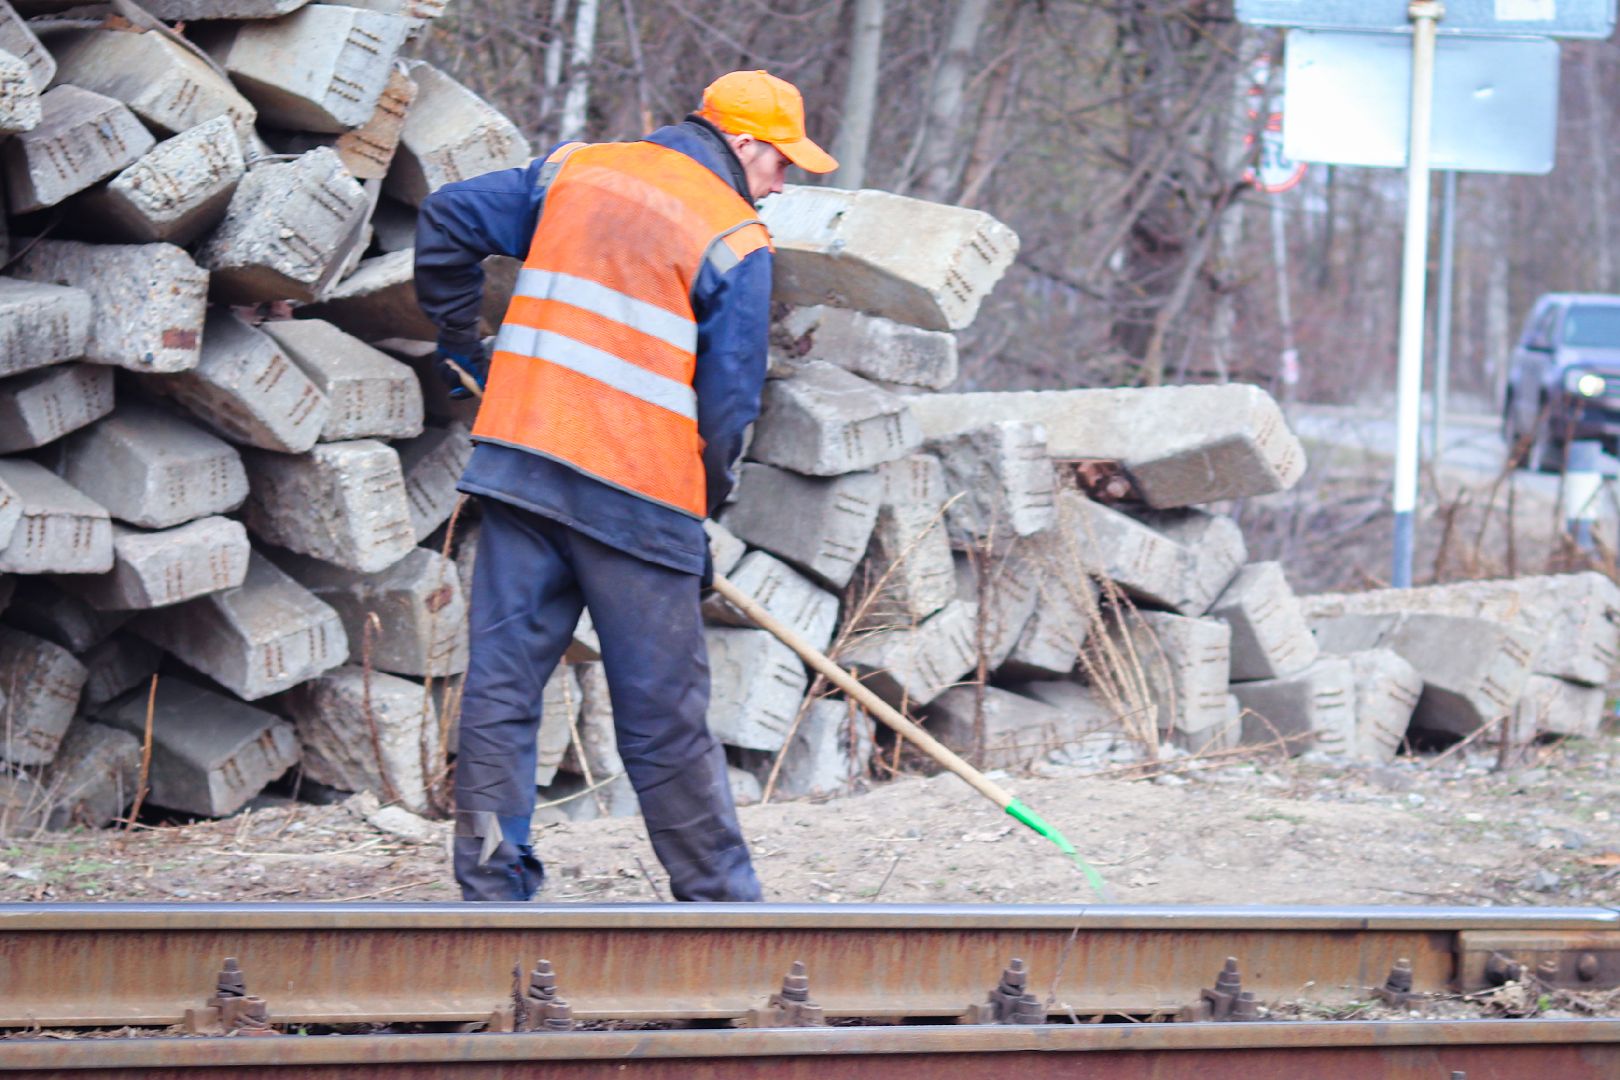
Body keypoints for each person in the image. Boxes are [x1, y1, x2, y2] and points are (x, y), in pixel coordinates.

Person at [413, 71, 837, 902]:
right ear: (742, 143)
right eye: (781, 163)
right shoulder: (736, 238)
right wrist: (699, 515)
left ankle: (494, 896)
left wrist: (463, 350)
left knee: (500, 692)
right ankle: (722, 905)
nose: (784, 183)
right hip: (636, 494)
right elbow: (729, 407)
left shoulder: (578, 170)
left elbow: (448, 218)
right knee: (664, 714)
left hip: (520, 467)